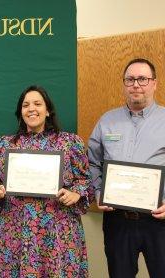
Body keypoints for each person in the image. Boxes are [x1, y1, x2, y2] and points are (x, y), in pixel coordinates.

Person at [0, 85, 94, 277]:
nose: (31, 108)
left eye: (37, 103)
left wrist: (75, 194)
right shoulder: (5, 145)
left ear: (48, 110)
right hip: (14, 232)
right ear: (20, 112)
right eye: (26, 105)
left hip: (57, 232)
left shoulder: (69, 143)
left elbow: (85, 181)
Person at [88, 58, 165, 277]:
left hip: (159, 221)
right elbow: (93, 162)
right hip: (118, 221)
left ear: (154, 83)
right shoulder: (107, 121)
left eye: (143, 79)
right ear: (124, 83)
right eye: (130, 79)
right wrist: (98, 191)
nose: (136, 85)